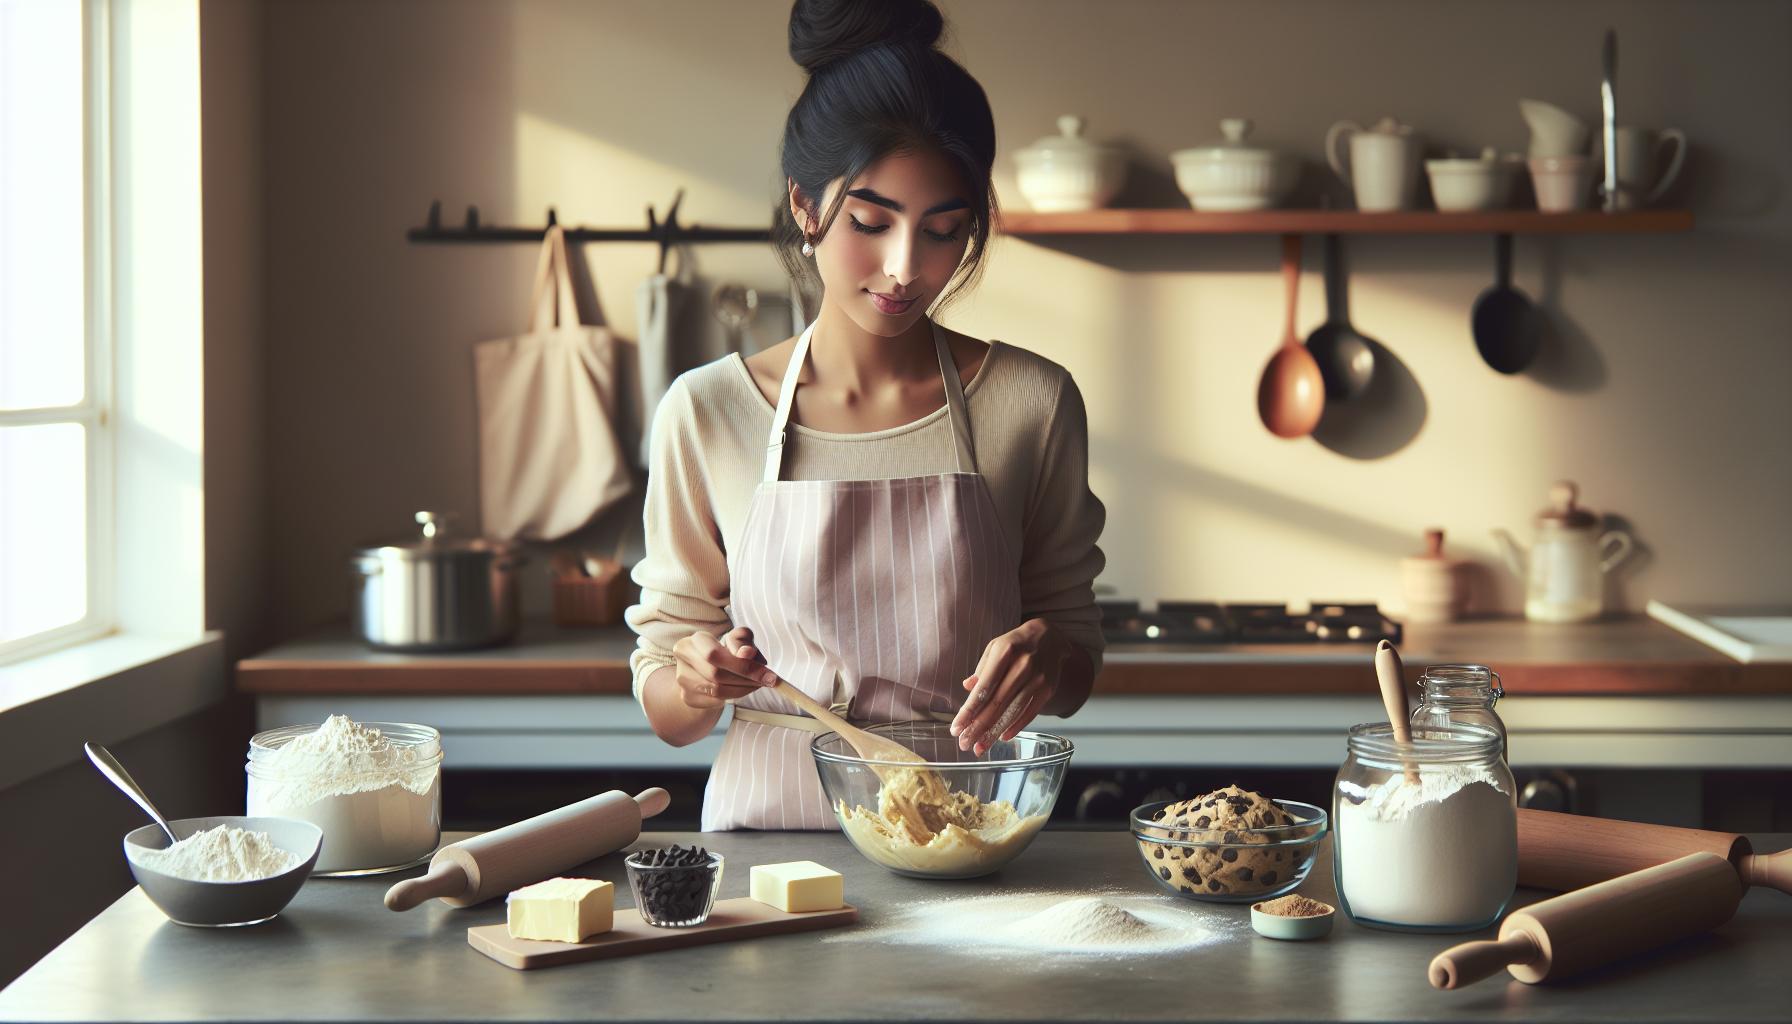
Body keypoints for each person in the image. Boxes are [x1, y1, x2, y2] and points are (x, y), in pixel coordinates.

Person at [625, 0, 1105, 830]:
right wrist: (696, 679)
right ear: (806, 207)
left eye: (944, 230)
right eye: (871, 222)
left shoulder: (1032, 403)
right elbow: (670, 713)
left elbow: (1075, 668)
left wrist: (1050, 654)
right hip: (765, 855)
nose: (904, 268)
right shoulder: (707, 413)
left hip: (963, 841)